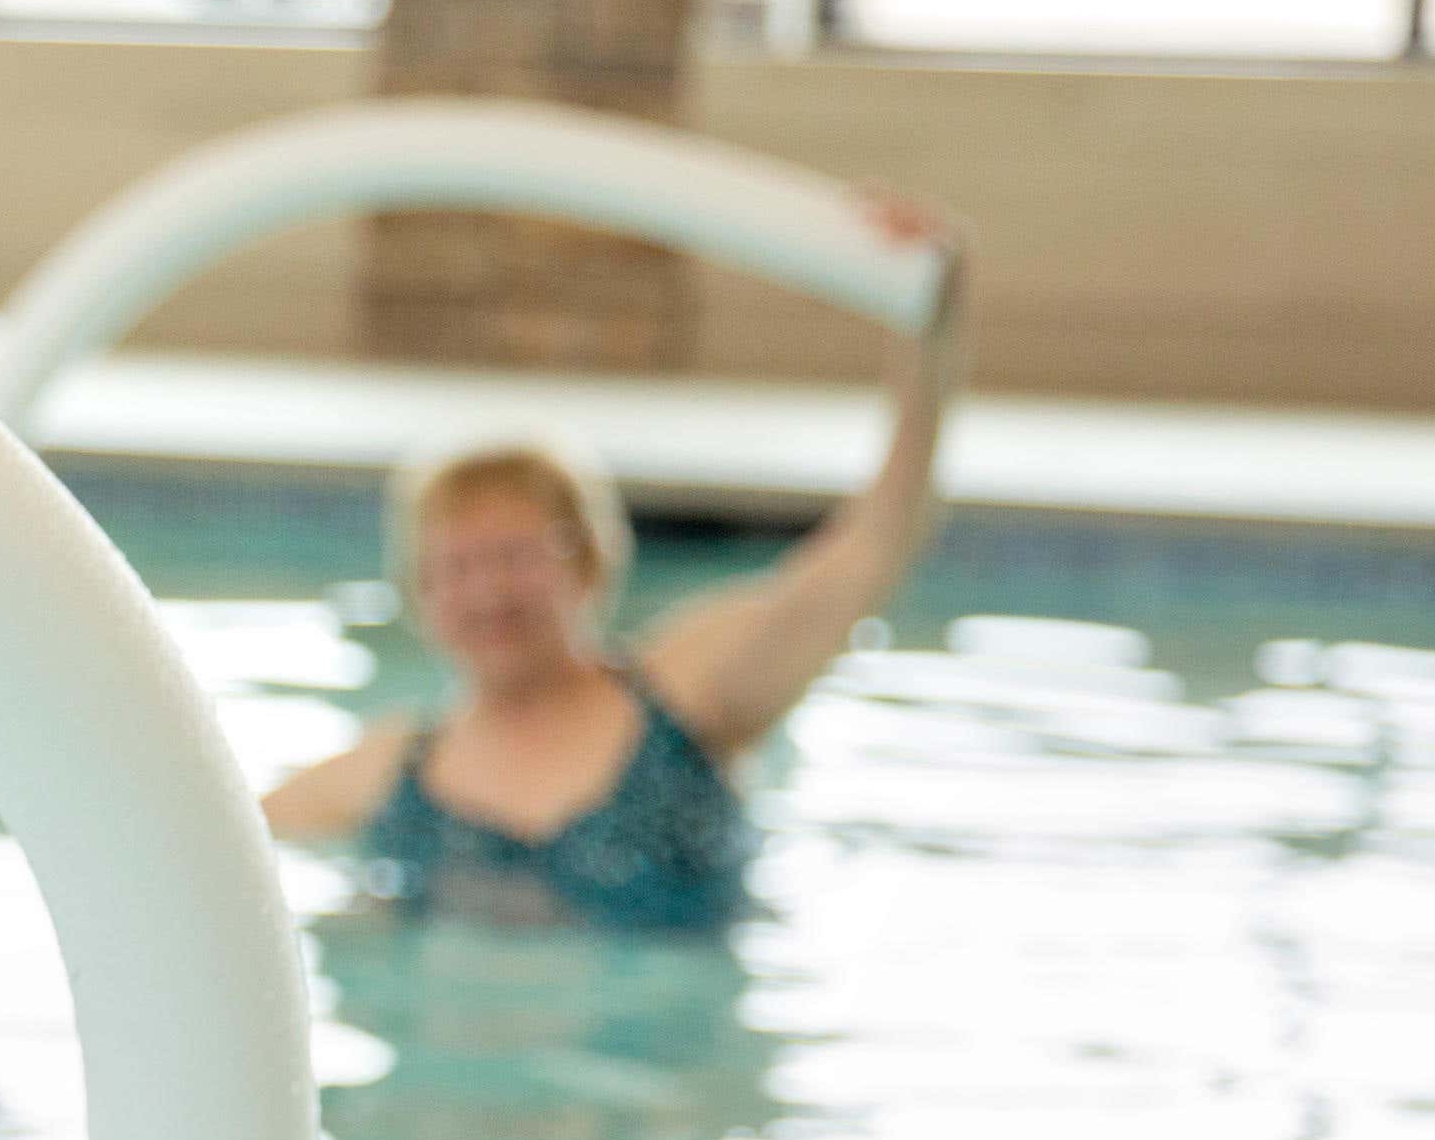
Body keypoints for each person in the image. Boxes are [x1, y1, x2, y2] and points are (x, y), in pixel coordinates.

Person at [262, 229, 968, 936]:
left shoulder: (689, 694)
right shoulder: (388, 775)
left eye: (515, 556)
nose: (490, 593)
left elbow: (873, 545)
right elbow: (229, 848)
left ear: (588, 559)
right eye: (459, 567)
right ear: (421, 593)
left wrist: (926, 323)